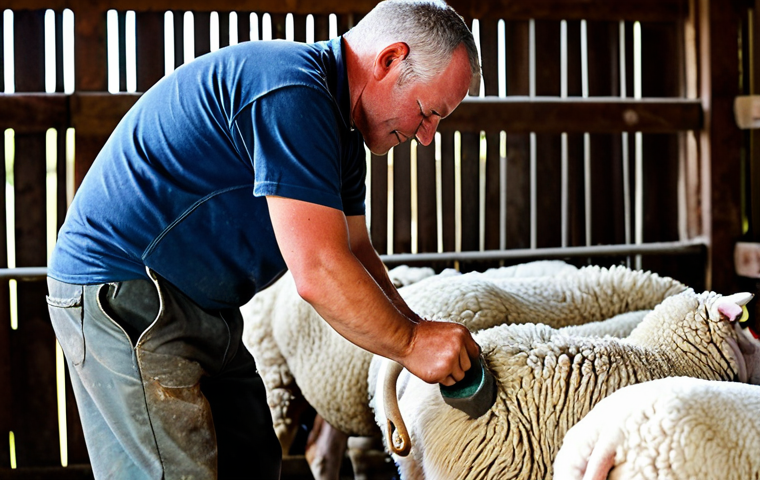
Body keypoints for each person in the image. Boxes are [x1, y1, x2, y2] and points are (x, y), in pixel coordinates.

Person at [45, 0, 482, 478]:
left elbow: (355, 252)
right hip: (126, 291)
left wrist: (418, 329)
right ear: (389, 60)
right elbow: (318, 271)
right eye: (426, 112)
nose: (427, 137)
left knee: (251, 460)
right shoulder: (291, 90)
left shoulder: (342, 134)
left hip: (200, 302)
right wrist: (412, 343)